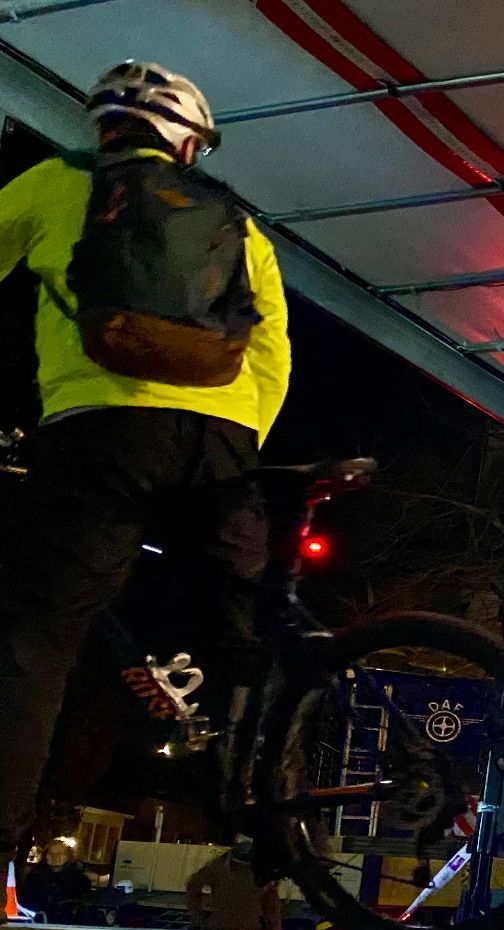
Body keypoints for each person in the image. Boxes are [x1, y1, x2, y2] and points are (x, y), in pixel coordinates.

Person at [0, 61, 291, 863]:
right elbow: (272, 347)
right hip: (223, 440)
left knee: (39, 637)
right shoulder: (235, 219)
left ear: (104, 128)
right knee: (243, 641)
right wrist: (240, 440)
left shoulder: (55, 183)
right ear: (188, 144)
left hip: (101, 433)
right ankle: (272, 828)